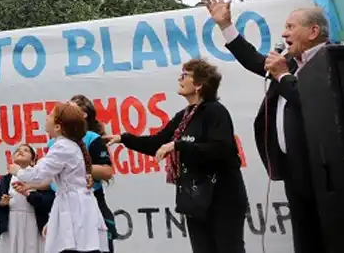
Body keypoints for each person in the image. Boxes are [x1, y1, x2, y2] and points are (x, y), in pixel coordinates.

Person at [204, 0, 329, 253]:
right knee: (306, 241)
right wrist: (226, 26)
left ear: (313, 31)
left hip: (326, 172)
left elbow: (310, 102)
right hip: (295, 171)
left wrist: (282, 75)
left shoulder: (328, 61)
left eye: (291, 27)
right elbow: (253, 60)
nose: (284, 33)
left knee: (331, 236)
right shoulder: (291, 65)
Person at [105, 58, 248, 253]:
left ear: (198, 84)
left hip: (223, 197)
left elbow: (221, 149)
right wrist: (124, 138)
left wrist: (179, 145)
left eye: (185, 75)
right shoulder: (184, 116)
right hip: (195, 198)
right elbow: (157, 143)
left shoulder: (215, 111)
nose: (180, 79)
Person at [10, 103, 109, 253]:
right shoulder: (66, 145)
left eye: (50, 115)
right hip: (74, 207)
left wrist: (18, 171)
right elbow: (48, 176)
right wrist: (53, 222)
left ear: (57, 127)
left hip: (75, 210)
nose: (46, 118)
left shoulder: (63, 146)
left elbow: (38, 173)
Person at [68, 96, 117, 252]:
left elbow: (107, 171)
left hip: (92, 201)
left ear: (84, 114)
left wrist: (78, 166)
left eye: (71, 108)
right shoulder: (56, 141)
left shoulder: (92, 139)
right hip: (65, 207)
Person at [0, 144, 47, 253]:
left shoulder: (38, 177)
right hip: (11, 223)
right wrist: (2, 203)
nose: (20, 152)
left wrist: (28, 194)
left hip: (32, 221)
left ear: (32, 161)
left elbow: (45, 202)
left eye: (26, 150)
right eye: (17, 150)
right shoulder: (6, 179)